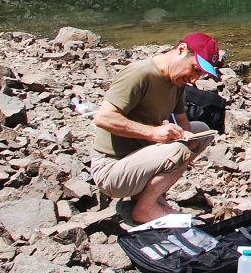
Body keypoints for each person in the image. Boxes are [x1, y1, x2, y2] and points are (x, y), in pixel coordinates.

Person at [90, 32, 222, 225]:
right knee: (179, 150)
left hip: (138, 158)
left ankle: (147, 195)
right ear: (181, 49)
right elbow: (103, 117)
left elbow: (183, 122)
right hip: (111, 169)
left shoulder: (176, 82)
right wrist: (153, 133)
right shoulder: (140, 74)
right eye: (194, 69)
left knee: (200, 131)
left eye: (199, 74)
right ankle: (145, 209)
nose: (194, 79)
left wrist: (187, 136)